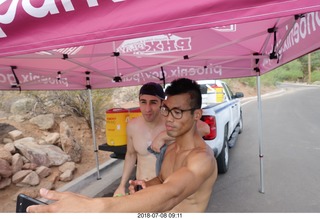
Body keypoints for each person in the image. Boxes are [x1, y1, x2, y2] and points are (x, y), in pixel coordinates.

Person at [27, 78, 217, 213]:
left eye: (177, 112)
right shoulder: (171, 149)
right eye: (167, 110)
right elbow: (162, 180)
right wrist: (145, 185)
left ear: (196, 115)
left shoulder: (201, 159)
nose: (168, 117)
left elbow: (171, 195)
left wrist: (94, 207)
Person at [113, 82, 210, 196]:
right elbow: (130, 155)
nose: (147, 109)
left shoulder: (172, 122)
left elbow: (205, 128)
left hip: (167, 189)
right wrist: (121, 185)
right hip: (141, 187)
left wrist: (163, 136)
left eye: (153, 102)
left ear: (162, 103)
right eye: (143, 102)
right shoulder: (132, 126)